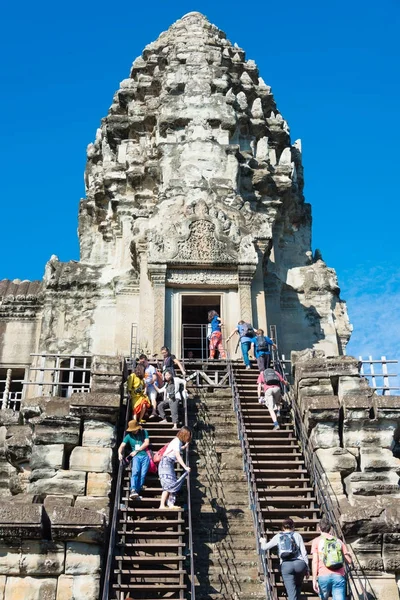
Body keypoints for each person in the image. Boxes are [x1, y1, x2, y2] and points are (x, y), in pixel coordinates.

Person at [260, 518, 309, 600]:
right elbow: (304, 553)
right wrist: (307, 568)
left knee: (291, 594)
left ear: (283, 527)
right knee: (298, 586)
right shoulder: (297, 535)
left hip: (286, 565)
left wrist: (262, 541)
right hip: (300, 564)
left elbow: (264, 547)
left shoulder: (278, 536)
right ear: (293, 527)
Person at [311, 518, 353, 600]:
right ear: (330, 528)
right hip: (339, 575)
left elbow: (315, 562)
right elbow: (349, 561)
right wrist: (350, 555)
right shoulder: (338, 541)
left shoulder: (316, 541)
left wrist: (314, 579)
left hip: (323, 575)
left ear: (319, 528)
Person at [158, 426, 192, 509]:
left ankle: (171, 504)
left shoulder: (178, 442)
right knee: (169, 485)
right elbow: (177, 455)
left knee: (172, 484)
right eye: (188, 436)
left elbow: (177, 449)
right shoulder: (177, 441)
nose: (189, 437)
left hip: (168, 463)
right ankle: (162, 505)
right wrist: (185, 467)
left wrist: (184, 446)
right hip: (166, 463)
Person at [118, 420, 150, 500]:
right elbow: (121, 446)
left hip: (145, 456)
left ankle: (137, 492)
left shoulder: (144, 432)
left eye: (134, 429)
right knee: (135, 472)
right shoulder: (128, 436)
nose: (133, 431)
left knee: (142, 474)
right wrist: (119, 454)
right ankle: (133, 490)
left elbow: (146, 443)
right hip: (136, 457)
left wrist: (136, 450)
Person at [138, 354, 158, 418]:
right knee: (144, 399)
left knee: (152, 398)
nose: (142, 363)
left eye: (143, 362)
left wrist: (149, 383)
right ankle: (145, 412)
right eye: (141, 362)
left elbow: (154, 377)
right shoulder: (142, 368)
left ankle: (154, 411)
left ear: (146, 360)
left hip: (152, 386)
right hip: (145, 386)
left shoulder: (151, 368)